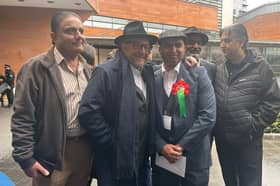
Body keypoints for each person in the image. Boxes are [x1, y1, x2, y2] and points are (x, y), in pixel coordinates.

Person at [11, 11, 93, 186]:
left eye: (81, 31)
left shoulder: (87, 69)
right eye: (70, 31)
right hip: (52, 154)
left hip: (83, 150)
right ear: (53, 36)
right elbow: (23, 116)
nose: (79, 36)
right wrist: (25, 158)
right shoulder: (35, 68)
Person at [78, 21, 159, 186]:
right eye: (137, 46)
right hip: (114, 159)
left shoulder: (148, 72)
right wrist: (112, 141)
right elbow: (88, 112)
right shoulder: (106, 72)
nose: (143, 51)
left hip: (141, 156)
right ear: (124, 46)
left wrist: (191, 63)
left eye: (146, 47)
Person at [214, 23, 280, 186]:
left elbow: (273, 101)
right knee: (230, 180)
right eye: (221, 41)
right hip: (224, 140)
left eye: (227, 41)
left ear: (241, 42)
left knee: (250, 182)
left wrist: (253, 125)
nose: (222, 45)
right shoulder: (219, 66)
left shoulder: (260, 67)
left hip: (248, 141)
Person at [152, 30, 216, 186]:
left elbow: (208, 116)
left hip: (194, 159)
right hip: (163, 160)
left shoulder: (199, 74)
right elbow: (146, 119)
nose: (173, 50)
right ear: (159, 49)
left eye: (178, 45)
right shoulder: (151, 76)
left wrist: (180, 146)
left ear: (185, 48)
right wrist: (161, 146)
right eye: (167, 46)